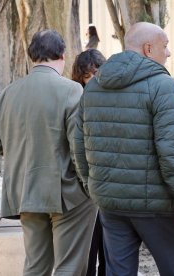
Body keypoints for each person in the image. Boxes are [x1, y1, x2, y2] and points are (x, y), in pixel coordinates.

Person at [73, 22, 174, 275]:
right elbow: (173, 153)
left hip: (111, 201)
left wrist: (93, 187)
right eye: (165, 46)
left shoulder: (94, 86)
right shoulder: (163, 86)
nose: (169, 53)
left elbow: (79, 144)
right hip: (156, 204)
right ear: (148, 48)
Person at [0, 29, 97, 275]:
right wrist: (89, 187)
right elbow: (79, 147)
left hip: (24, 192)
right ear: (62, 55)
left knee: (35, 267)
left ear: (32, 56)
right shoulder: (72, 90)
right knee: (69, 266)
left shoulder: (7, 94)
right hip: (67, 193)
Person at [71, 48, 106, 276]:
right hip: (84, 186)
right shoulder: (76, 101)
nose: (92, 80)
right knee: (88, 250)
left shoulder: (114, 97)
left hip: (110, 185)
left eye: (96, 74)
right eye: (87, 76)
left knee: (111, 251)